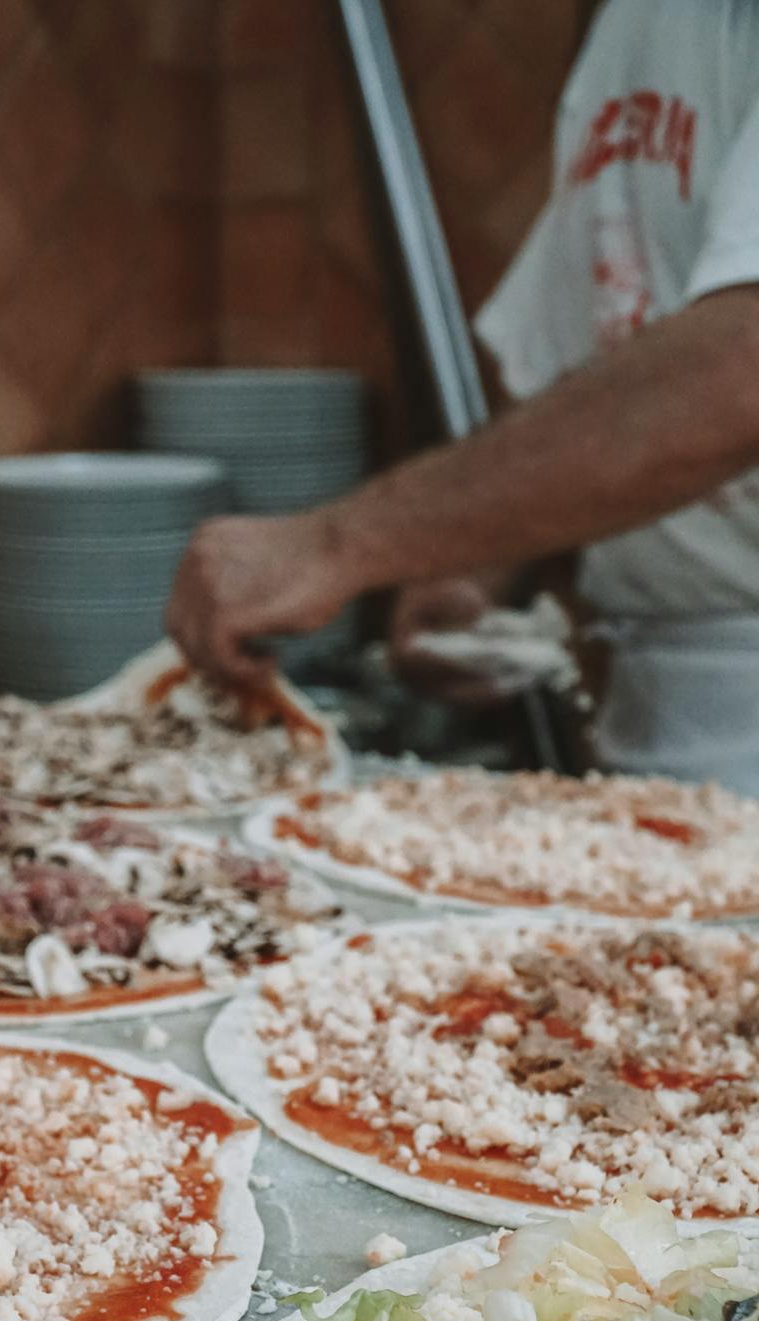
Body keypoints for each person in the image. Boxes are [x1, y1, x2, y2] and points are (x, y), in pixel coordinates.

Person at [167, 0, 759, 790]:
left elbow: (739, 368)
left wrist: (338, 543)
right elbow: (603, 354)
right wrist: (478, 566)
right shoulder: (633, 21)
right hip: (666, 729)